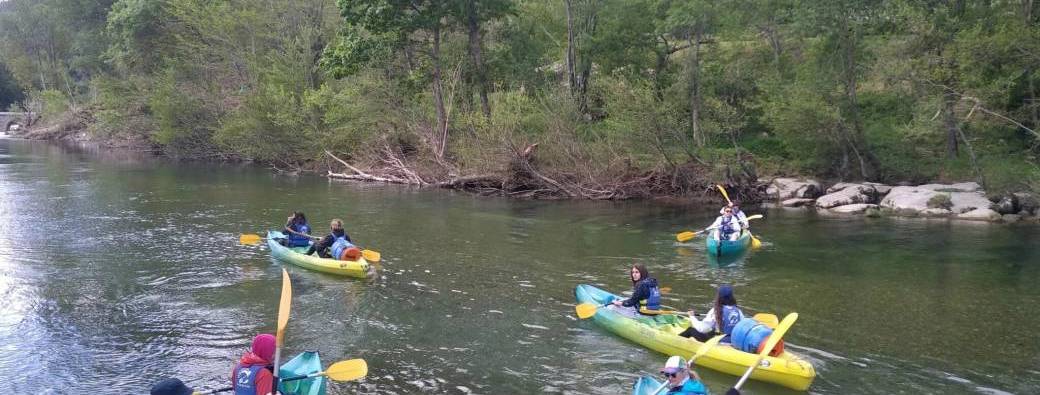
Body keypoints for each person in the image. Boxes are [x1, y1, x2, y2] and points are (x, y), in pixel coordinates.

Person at [679, 285, 745, 342]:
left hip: (717, 342)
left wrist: (692, 316)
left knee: (690, 330)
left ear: (719, 297)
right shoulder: (738, 311)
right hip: (734, 341)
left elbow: (702, 329)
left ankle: (676, 341)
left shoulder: (716, 311)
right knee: (712, 331)